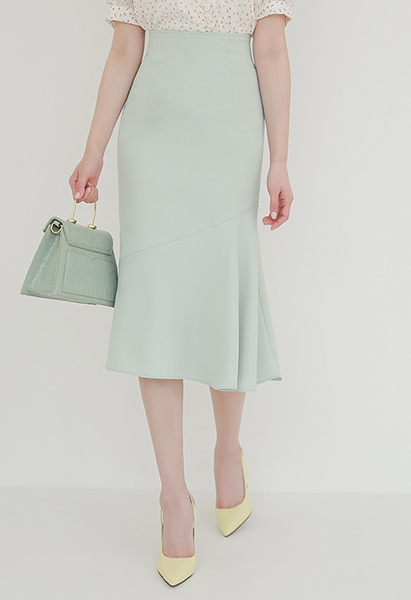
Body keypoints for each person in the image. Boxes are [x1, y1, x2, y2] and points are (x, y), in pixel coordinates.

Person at [69, 0, 295, 587]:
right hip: (153, 138)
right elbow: (125, 49)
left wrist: (280, 160)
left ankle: (227, 451)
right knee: (156, 308)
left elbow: (271, 50)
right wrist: (94, 149)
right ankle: (173, 497)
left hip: (229, 135)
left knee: (221, 296)